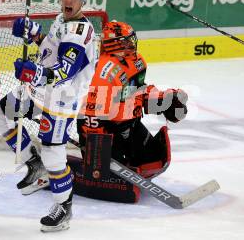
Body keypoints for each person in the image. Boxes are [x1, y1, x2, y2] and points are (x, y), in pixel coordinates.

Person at [0, 0, 97, 232]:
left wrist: (34, 73)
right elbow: (50, 51)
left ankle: (64, 207)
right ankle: (33, 163)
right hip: (41, 92)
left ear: (83, 0)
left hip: (63, 99)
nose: (69, 1)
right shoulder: (62, 20)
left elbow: (66, 71)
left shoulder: (80, 32)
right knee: (2, 112)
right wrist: (33, 33)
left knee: (53, 153)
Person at [72, 20, 188, 203]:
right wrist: (96, 152)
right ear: (115, 43)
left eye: (130, 40)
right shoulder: (107, 72)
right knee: (110, 170)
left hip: (129, 123)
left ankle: (125, 161)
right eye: (126, 41)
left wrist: (165, 100)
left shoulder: (137, 61)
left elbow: (139, 91)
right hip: (103, 129)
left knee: (154, 159)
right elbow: (92, 115)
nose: (131, 43)